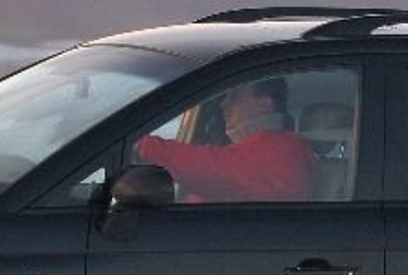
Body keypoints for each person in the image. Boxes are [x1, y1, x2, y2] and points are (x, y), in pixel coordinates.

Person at [134, 77, 316, 202]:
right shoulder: (255, 151)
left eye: (235, 96)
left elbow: (214, 167)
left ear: (265, 104)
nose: (223, 104)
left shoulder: (281, 150)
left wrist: (140, 146)